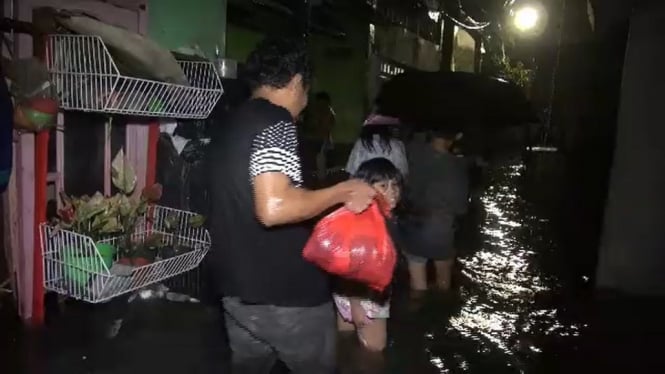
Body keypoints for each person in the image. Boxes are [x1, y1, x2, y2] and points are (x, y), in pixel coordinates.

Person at [207, 37, 376, 373]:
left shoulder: (231, 125)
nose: (305, 101)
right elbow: (274, 207)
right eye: (307, 90)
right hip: (286, 296)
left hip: (236, 291)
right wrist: (342, 191)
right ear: (298, 81)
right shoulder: (276, 122)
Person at [333, 157, 403, 352]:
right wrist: (356, 305)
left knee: (346, 343)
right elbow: (354, 268)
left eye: (395, 185)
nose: (392, 192)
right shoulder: (368, 221)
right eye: (383, 186)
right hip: (365, 297)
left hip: (344, 292)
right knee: (373, 354)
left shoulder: (360, 212)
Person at [402, 129, 469, 293]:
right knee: (443, 282)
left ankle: (417, 308)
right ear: (457, 136)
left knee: (417, 285)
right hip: (440, 230)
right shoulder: (457, 166)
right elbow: (460, 209)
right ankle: (438, 311)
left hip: (413, 226)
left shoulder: (412, 152)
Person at [302, 91, 336, 182]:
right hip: (319, 139)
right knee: (320, 161)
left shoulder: (315, 110)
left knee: (316, 161)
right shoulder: (327, 111)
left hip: (315, 139)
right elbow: (329, 124)